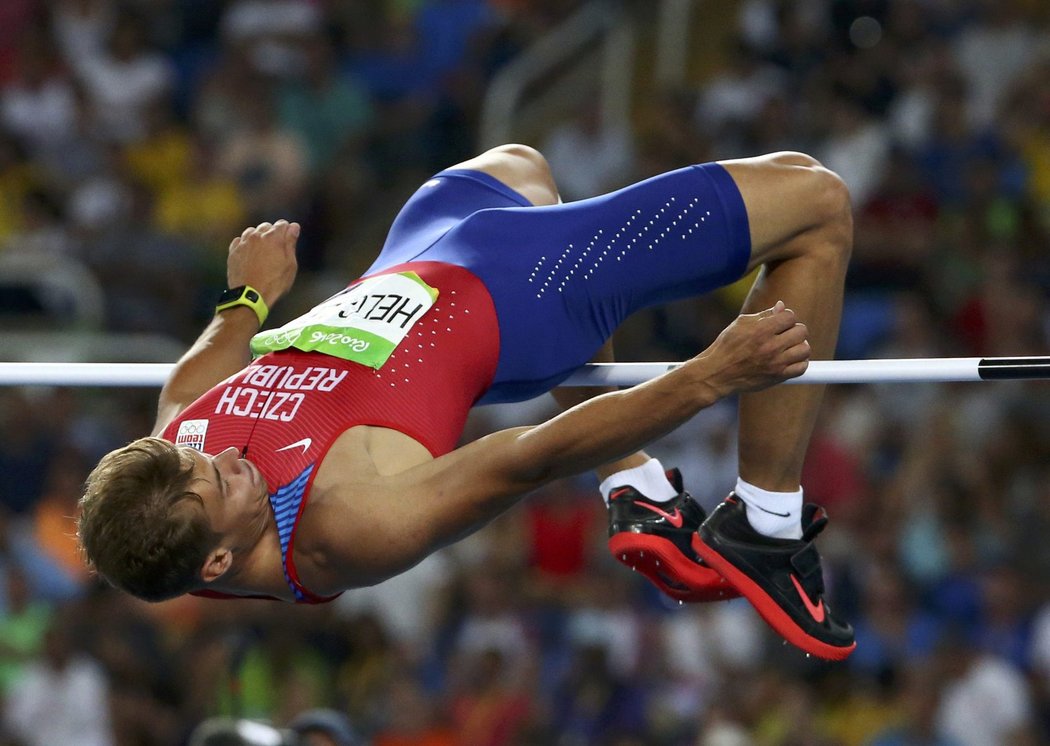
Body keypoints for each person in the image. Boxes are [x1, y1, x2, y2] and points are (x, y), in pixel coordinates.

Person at [78, 144, 855, 660]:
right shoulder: (344, 529)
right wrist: (707, 375)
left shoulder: (174, 476)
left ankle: (637, 490)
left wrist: (245, 297)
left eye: (197, 455)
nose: (225, 457)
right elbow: (528, 458)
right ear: (219, 559)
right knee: (817, 200)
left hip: (418, 253)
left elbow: (187, 388)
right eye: (224, 483)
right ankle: (765, 520)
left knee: (522, 164)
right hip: (521, 297)